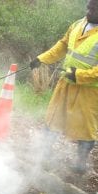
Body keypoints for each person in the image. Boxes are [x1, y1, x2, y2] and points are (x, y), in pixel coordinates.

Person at [30, 0, 98, 174]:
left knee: (86, 128)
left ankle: (80, 164)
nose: (89, 11)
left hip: (89, 90)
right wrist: (42, 59)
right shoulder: (78, 24)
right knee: (54, 118)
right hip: (65, 83)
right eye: (88, 7)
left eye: (93, 8)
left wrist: (79, 75)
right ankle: (44, 154)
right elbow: (62, 45)